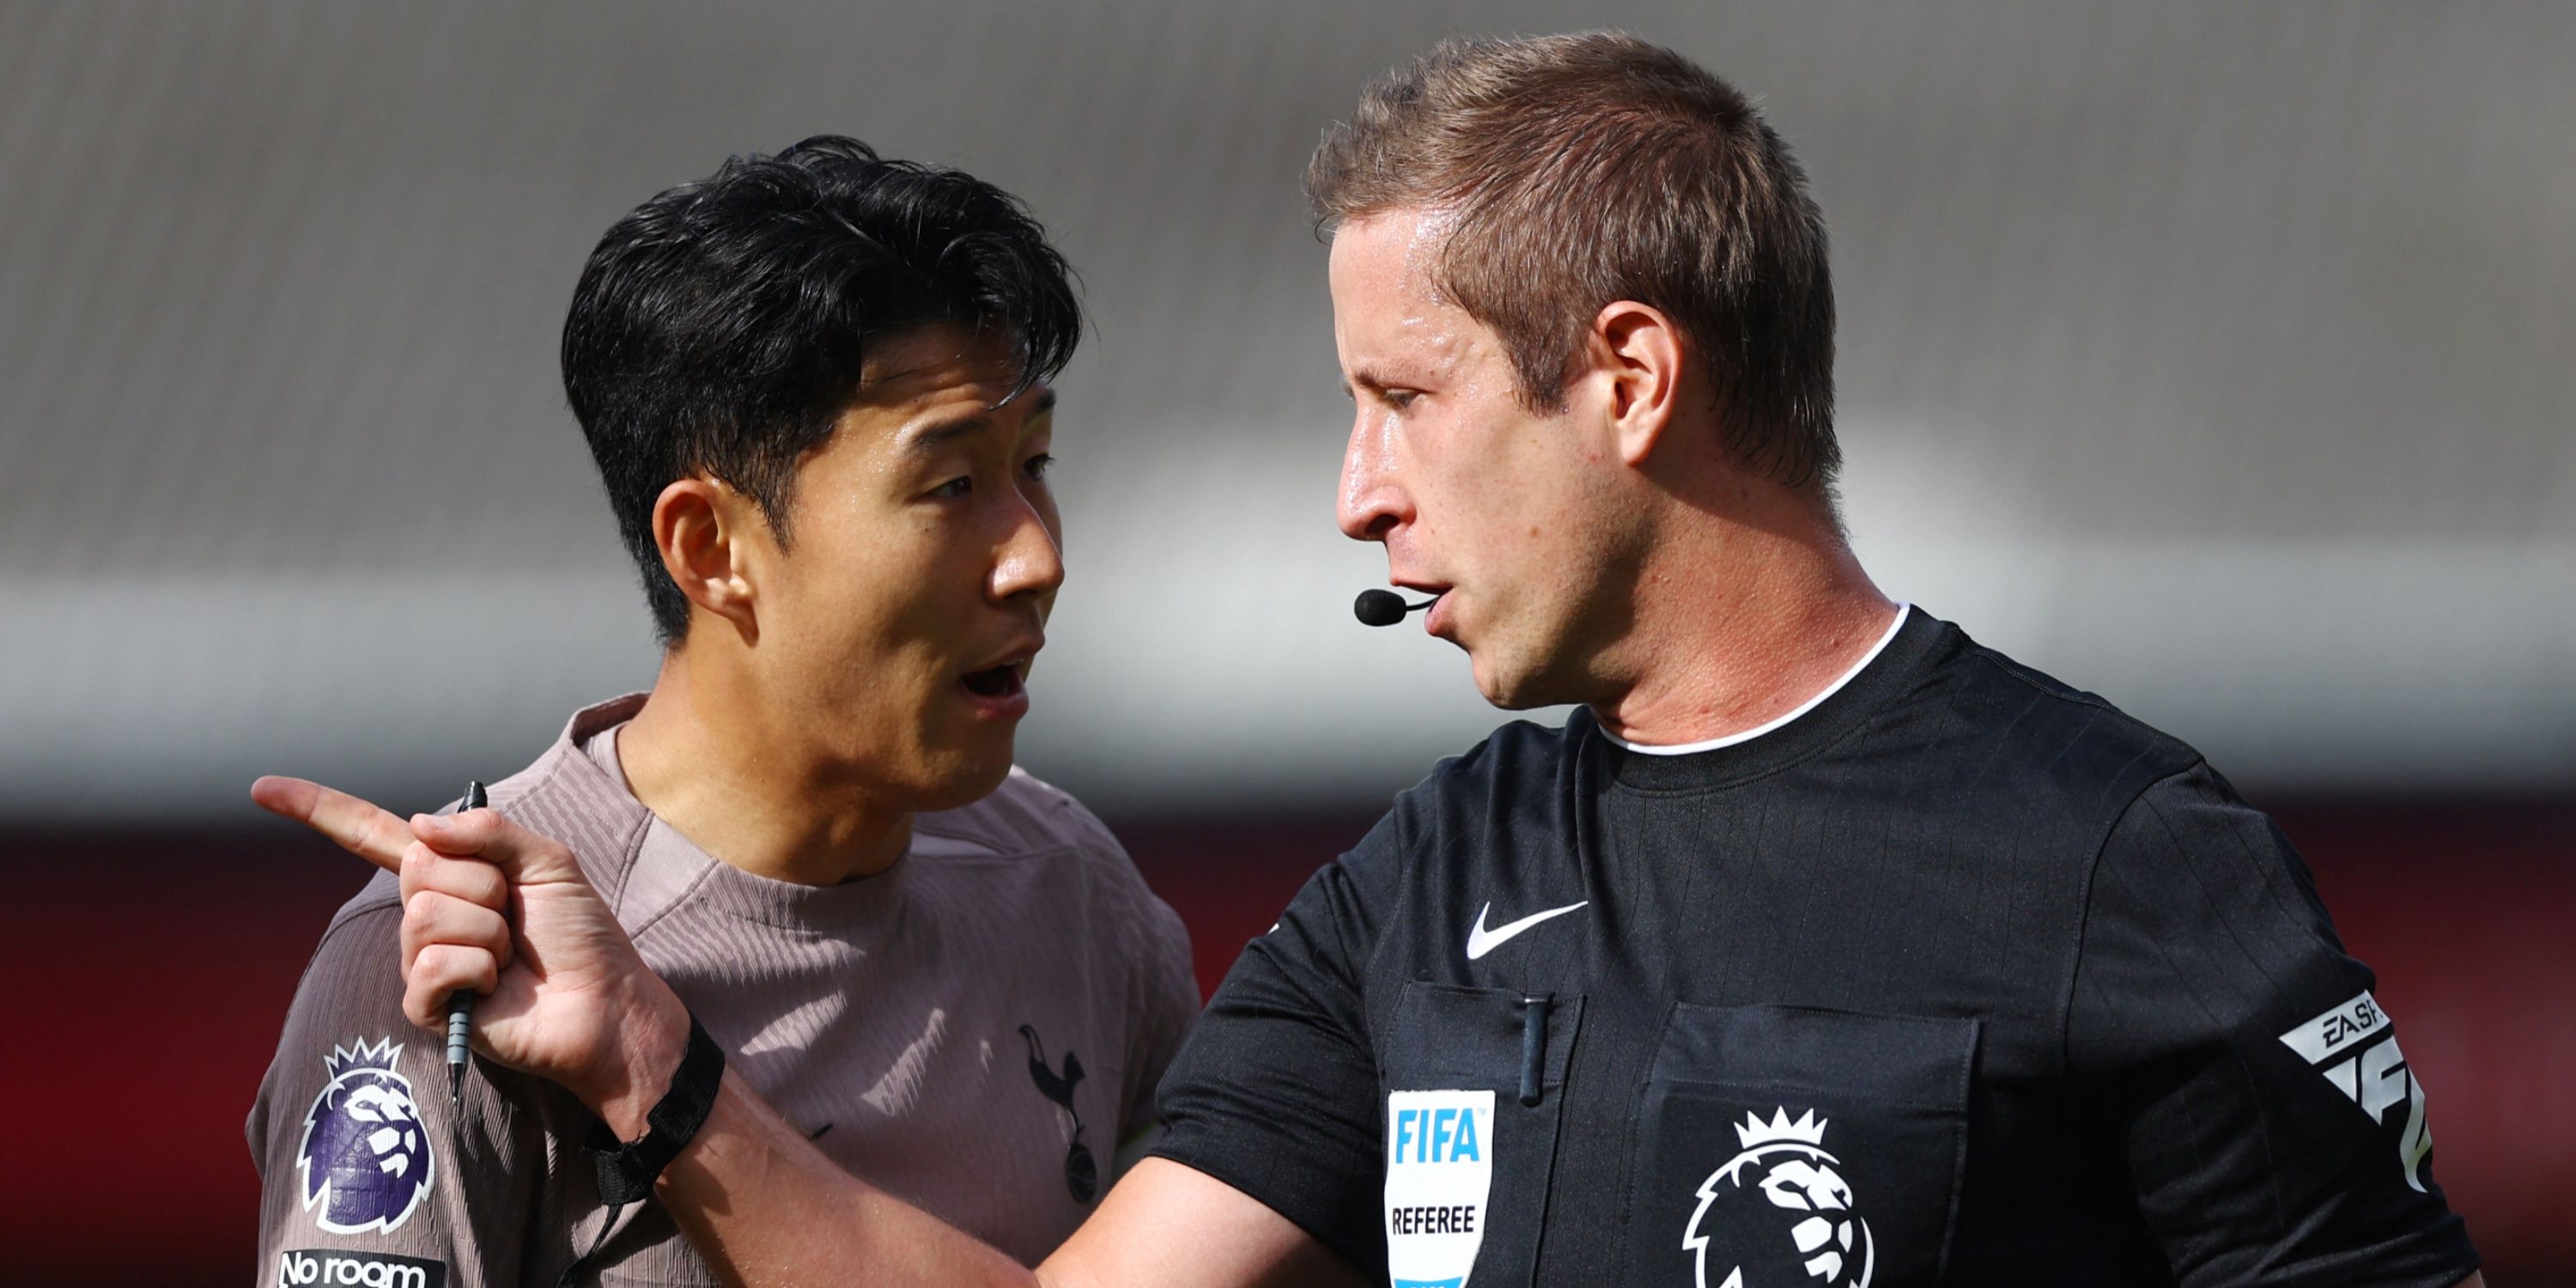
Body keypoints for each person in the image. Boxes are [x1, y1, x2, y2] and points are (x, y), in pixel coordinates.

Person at [276, 33, 2486, 1288]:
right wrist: (664, 1077)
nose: (1354, 493)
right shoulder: (1414, 894)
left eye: (1405, 402)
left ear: (1624, 378)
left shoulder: (2117, 855)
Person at [246, 137, 1199, 1288]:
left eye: (1035, 461)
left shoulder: (1078, 898)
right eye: (951, 486)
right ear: (711, 548)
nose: (1035, 557)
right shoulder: (453, 962)